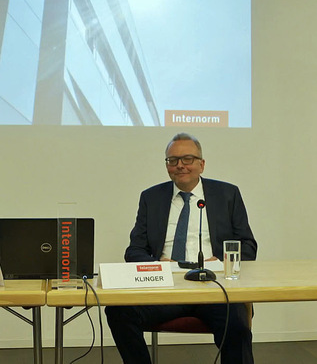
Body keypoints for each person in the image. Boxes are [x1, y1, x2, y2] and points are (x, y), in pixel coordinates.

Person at [106, 133, 257, 364]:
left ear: (201, 164)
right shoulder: (151, 197)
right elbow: (134, 251)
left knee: (237, 322)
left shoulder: (227, 194)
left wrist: (218, 263)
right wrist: (157, 266)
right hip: (166, 288)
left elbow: (248, 246)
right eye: (172, 160)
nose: (180, 166)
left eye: (187, 159)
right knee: (118, 311)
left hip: (214, 286)